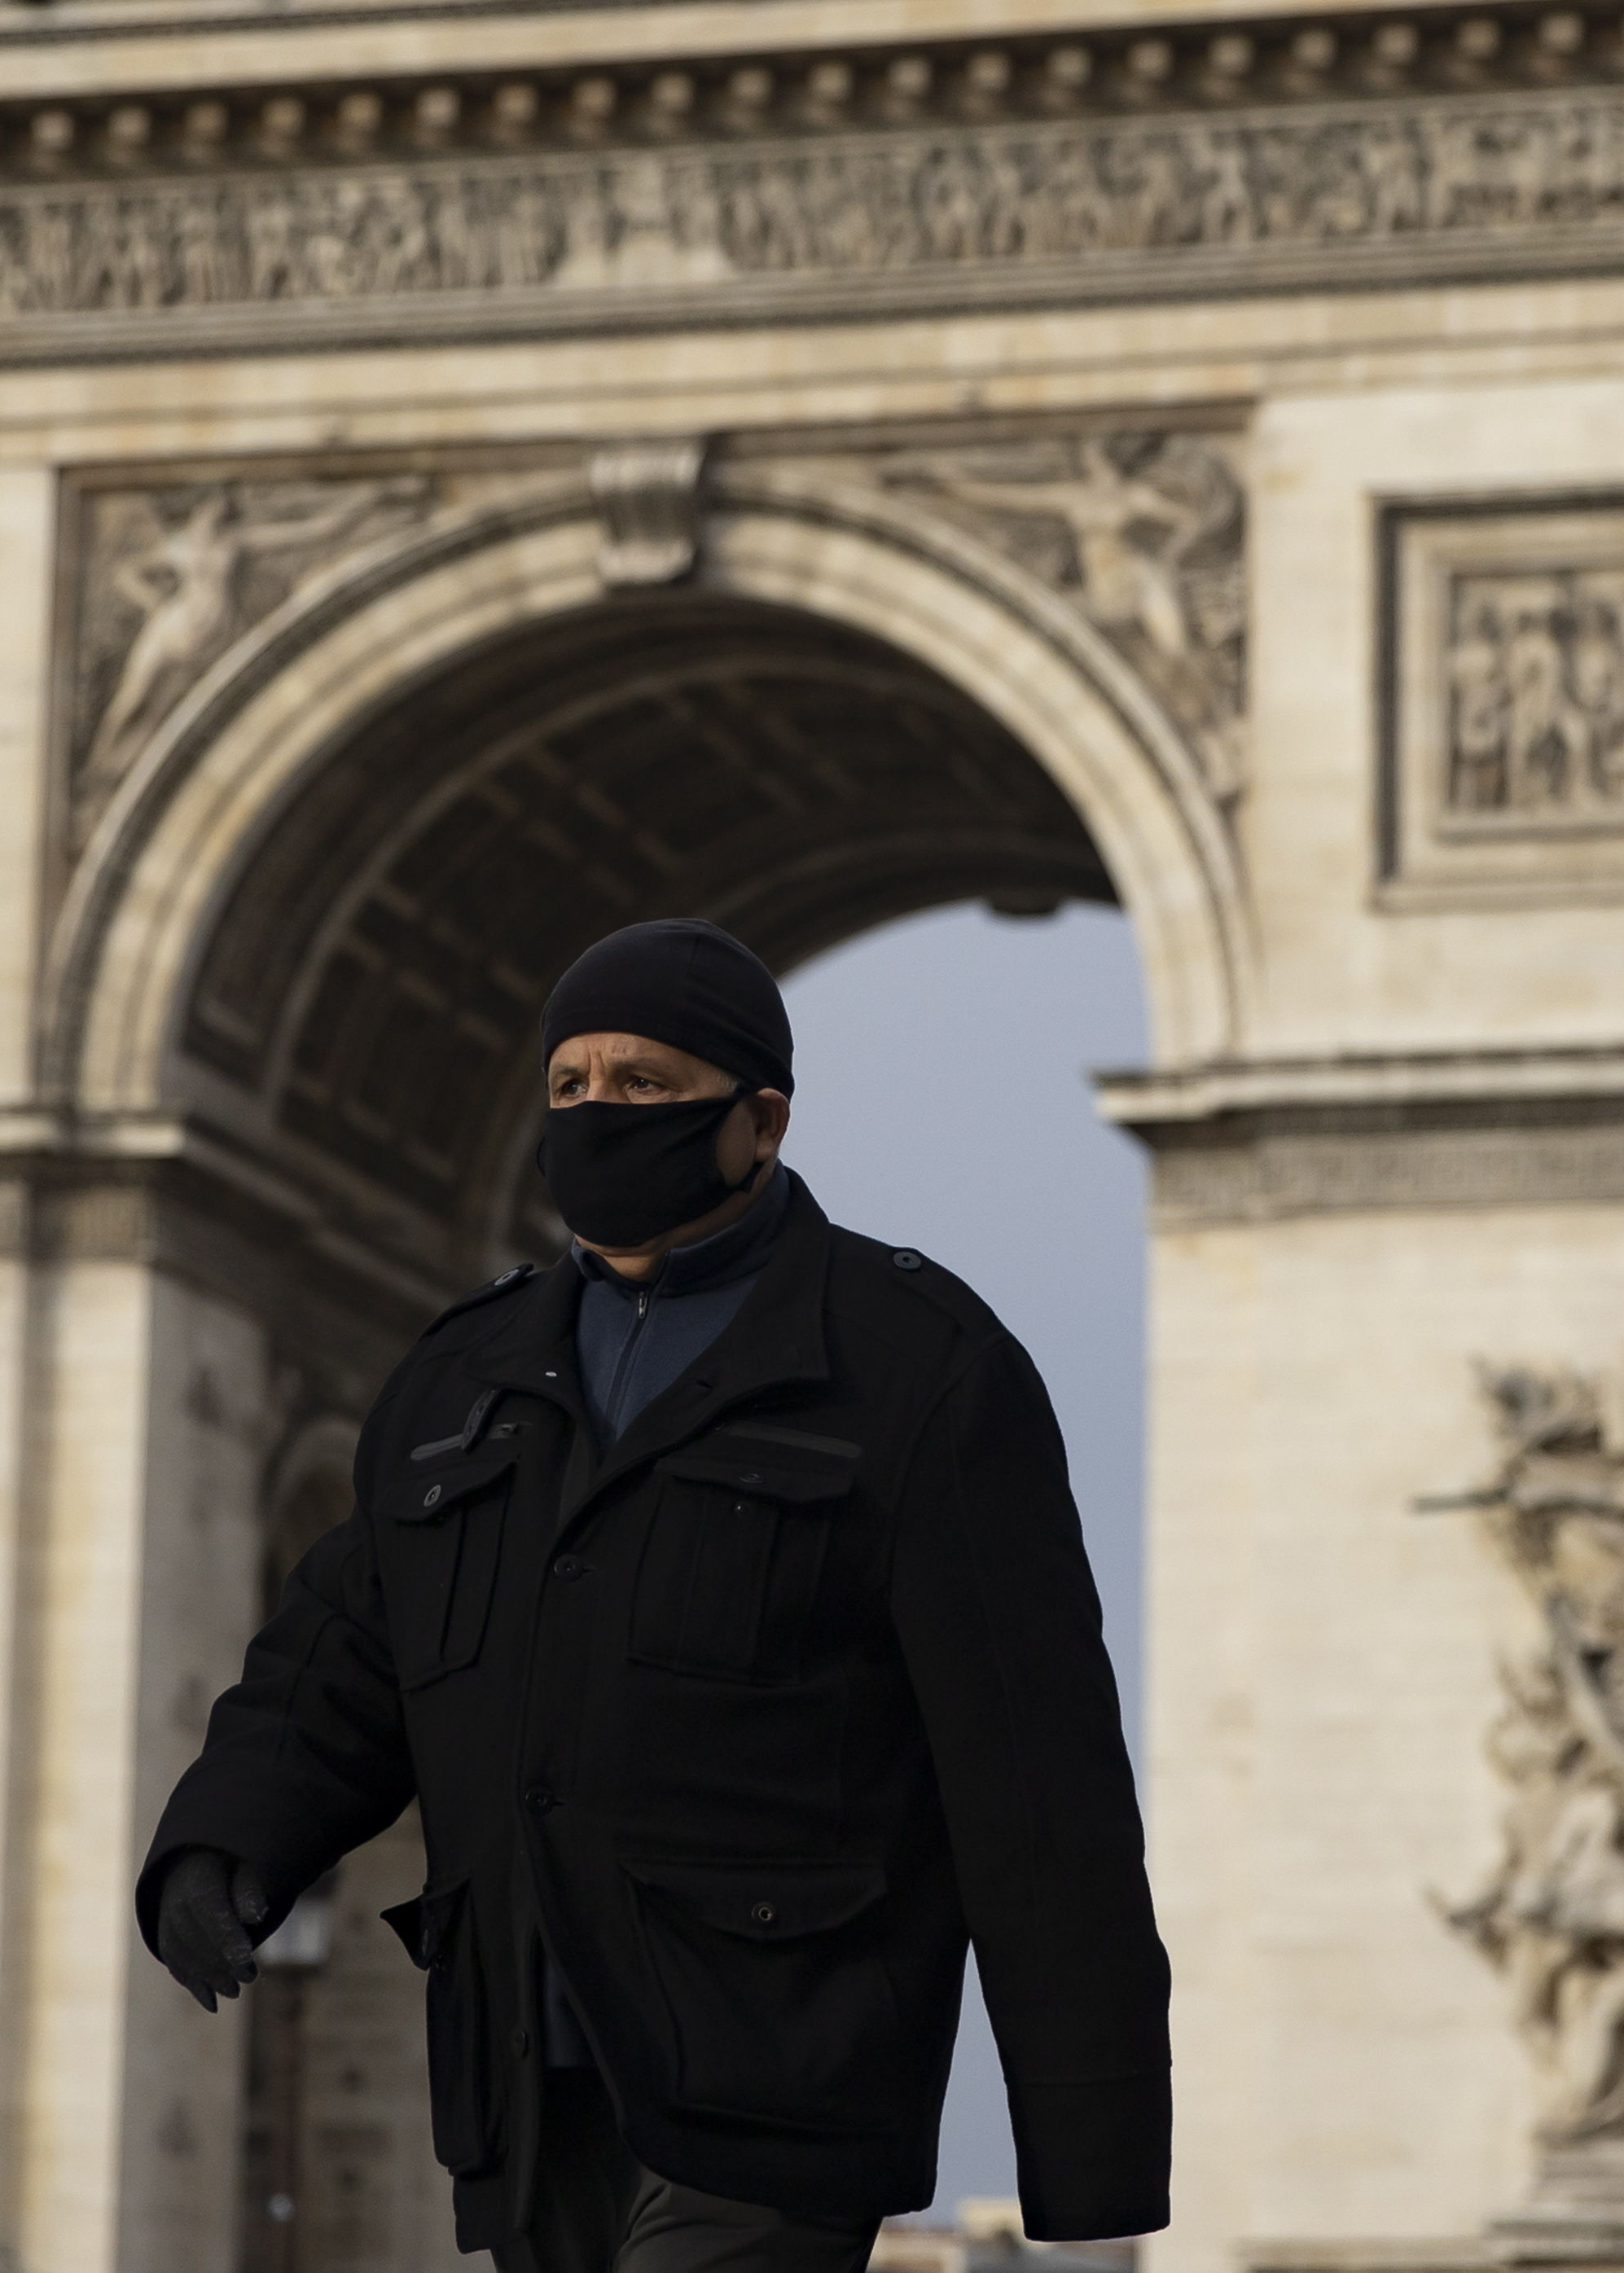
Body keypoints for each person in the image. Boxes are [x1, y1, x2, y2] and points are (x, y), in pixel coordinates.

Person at [136, 919, 1169, 2271]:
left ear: (763, 1118)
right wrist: (227, 1836)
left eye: (643, 1084)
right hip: (518, 2064)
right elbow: (346, 1647)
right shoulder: (462, 1374)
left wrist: (1087, 2144)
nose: (598, 1114)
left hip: (783, 2065)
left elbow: (1038, 1782)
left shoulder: (919, 1367)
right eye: (570, 1086)